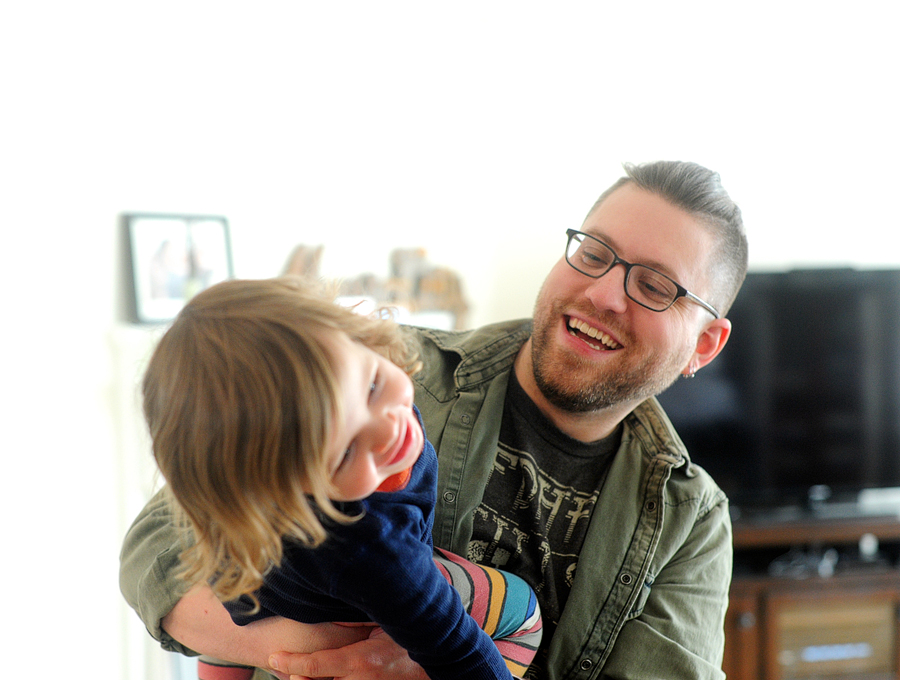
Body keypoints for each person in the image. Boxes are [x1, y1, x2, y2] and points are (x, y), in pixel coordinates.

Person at [121, 160, 749, 680]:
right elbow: (157, 549)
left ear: (704, 346)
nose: (604, 293)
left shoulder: (690, 525)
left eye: (656, 287)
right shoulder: (377, 367)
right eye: (595, 252)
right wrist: (320, 653)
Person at [139, 277, 542, 680]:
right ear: (279, 492)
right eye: (346, 451)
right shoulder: (376, 554)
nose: (388, 430)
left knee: (241, 597)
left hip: (251, 592)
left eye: (371, 387)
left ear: (359, 337)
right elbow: (455, 648)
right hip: (336, 606)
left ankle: (230, 646)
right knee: (522, 609)